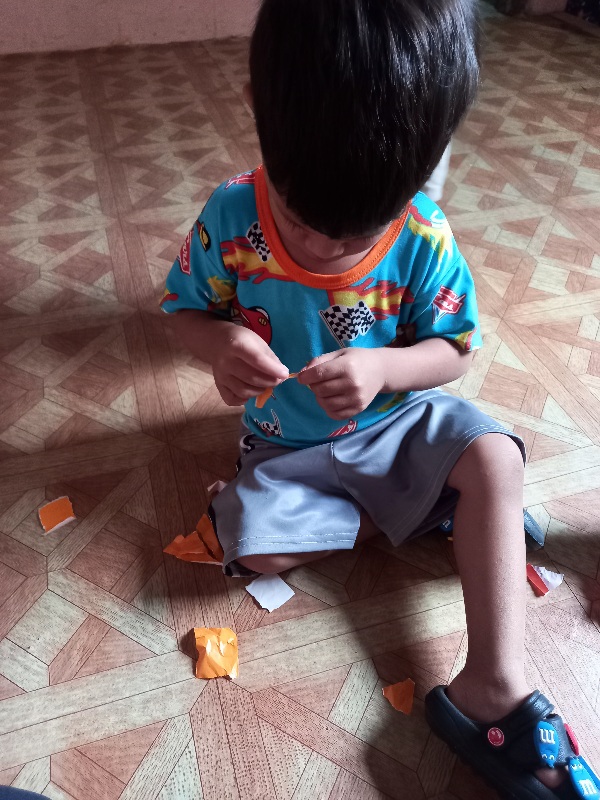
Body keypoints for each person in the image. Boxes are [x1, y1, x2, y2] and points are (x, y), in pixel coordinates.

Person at [161, 1, 599, 797]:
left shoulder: (424, 231)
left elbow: (454, 350)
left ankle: (494, 683)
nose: (326, 247)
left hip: (398, 426)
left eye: (359, 232)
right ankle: (421, 512)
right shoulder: (230, 216)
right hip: (287, 446)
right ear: (258, 107)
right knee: (244, 545)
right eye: (300, 218)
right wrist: (218, 344)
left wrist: (386, 371)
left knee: (496, 459)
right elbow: (182, 311)